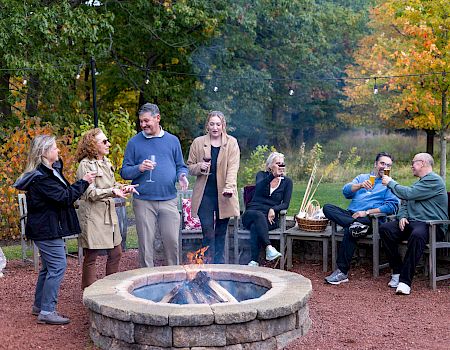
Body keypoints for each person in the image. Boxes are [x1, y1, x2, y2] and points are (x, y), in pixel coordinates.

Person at [13, 135, 96, 325]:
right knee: (58, 265)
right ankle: (47, 311)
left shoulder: (50, 171)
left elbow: (63, 191)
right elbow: (64, 197)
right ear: (44, 152)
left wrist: (78, 180)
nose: (59, 151)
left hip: (47, 227)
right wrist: (84, 182)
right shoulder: (41, 178)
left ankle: (39, 306)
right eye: (55, 148)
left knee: (48, 267)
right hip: (46, 229)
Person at [120, 103, 189, 267]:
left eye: (146, 121)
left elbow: (181, 165)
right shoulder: (134, 143)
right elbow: (125, 172)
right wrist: (139, 168)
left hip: (169, 200)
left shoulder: (172, 141)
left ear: (157, 118)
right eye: (141, 122)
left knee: (172, 243)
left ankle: (175, 278)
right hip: (144, 201)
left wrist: (182, 176)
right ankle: (147, 281)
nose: (143, 125)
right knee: (146, 246)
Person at [323, 152, 399, 285]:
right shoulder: (363, 178)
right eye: (382, 163)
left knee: (351, 230)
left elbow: (391, 207)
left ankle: (342, 272)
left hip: (370, 219)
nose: (384, 167)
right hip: (352, 215)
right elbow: (346, 192)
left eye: (388, 165)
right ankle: (355, 225)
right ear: (376, 164)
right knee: (327, 208)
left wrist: (366, 212)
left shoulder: (389, 184)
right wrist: (360, 185)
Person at [75, 129, 138, 289]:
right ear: (92, 145)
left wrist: (124, 187)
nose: (108, 144)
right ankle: (88, 291)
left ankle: (109, 289)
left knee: (116, 253)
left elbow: (111, 185)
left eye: (107, 140)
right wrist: (112, 191)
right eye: (104, 142)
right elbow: (89, 193)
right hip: (93, 215)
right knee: (92, 255)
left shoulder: (106, 162)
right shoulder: (85, 165)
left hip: (108, 214)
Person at [380, 153, 448, 295]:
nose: (411, 165)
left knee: (417, 234)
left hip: (432, 225)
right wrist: (402, 216)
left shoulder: (434, 180)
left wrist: (391, 182)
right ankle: (397, 271)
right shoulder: (419, 182)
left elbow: (409, 194)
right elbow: (406, 201)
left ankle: (405, 281)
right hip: (413, 223)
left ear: (422, 163)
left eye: (413, 162)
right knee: (386, 229)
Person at [187, 111, 240, 263]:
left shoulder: (231, 143)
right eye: (212, 124)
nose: (215, 127)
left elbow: (233, 168)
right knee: (208, 233)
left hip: (225, 194)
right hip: (205, 194)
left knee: (221, 233)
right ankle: (203, 264)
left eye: (218, 124)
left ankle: (218, 266)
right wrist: (199, 166)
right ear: (207, 126)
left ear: (223, 125)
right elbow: (190, 167)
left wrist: (229, 186)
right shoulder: (198, 143)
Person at [243, 152, 293, 266]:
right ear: (270, 165)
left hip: (270, 218)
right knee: (258, 216)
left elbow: (285, 204)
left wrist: (273, 209)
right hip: (251, 213)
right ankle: (268, 247)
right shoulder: (261, 175)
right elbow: (258, 188)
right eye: (277, 163)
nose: (281, 166)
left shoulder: (287, 182)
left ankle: (254, 261)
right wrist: (272, 176)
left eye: (282, 164)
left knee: (255, 226)